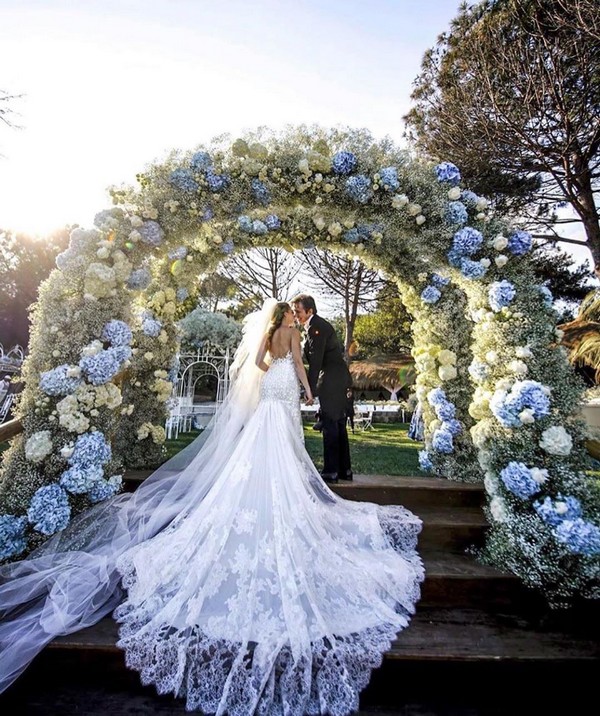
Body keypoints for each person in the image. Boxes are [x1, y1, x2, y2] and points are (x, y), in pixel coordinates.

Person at [0, 299, 424, 715]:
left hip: (269, 390)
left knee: (262, 444)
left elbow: (258, 364)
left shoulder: (268, 334)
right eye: (292, 313)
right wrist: (307, 389)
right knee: (288, 446)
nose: (295, 318)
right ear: (288, 317)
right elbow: (296, 364)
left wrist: (272, 372)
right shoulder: (293, 334)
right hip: (286, 387)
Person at [291, 294, 353, 484]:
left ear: (310, 311)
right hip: (338, 378)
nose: (295, 315)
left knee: (331, 425)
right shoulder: (313, 326)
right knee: (338, 424)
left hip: (333, 381)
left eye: (298, 311)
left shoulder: (317, 328)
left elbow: (316, 362)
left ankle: (331, 472)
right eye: (294, 311)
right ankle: (344, 470)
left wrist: (309, 390)